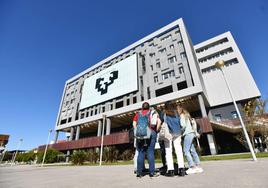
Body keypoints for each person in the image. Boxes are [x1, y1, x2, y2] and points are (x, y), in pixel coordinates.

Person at [133, 102, 161, 178]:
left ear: (142, 107)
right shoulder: (153, 112)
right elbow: (158, 122)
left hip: (140, 134)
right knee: (150, 152)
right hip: (151, 132)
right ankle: (152, 173)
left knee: (141, 152)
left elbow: (134, 124)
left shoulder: (138, 114)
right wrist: (156, 130)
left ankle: (139, 173)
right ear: (149, 107)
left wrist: (138, 132)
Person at [177, 105, 204, 174]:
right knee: (192, 150)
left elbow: (183, 126)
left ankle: (192, 167)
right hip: (192, 133)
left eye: (177, 110)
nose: (176, 111)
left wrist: (179, 131)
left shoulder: (182, 116)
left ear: (180, 110)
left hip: (187, 134)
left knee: (186, 151)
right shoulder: (187, 115)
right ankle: (198, 166)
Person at [161, 102, 185, 177]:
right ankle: (181, 169)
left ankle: (170, 170)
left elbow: (162, 121)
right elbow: (180, 122)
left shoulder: (164, 113)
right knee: (179, 150)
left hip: (169, 133)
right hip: (177, 132)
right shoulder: (176, 113)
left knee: (168, 151)